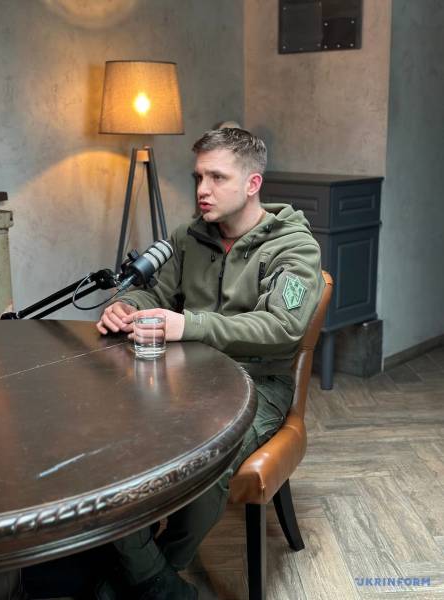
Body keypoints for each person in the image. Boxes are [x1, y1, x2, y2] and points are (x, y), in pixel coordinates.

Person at [95, 127, 324, 600]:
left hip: (257, 385)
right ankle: (154, 581)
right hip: (184, 379)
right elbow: (155, 294)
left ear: (252, 184)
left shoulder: (295, 248)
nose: (202, 189)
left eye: (217, 177)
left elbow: (281, 328)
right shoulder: (188, 237)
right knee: (108, 443)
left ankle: (150, 571)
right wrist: (127, 304)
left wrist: (189, 324)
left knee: (209, 461)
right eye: (199, 176)